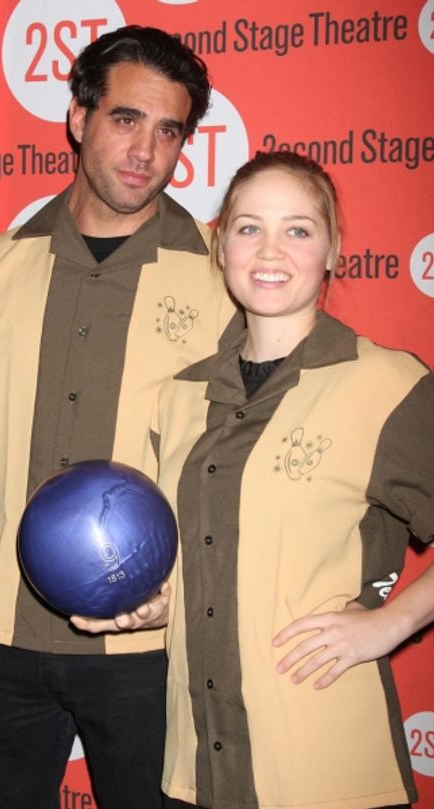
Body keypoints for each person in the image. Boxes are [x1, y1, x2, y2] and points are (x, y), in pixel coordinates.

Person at [0, 25, 235, 809]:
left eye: (169, 131)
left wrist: (187, 591)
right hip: (2, 640)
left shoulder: (223, 279)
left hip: (153, 645)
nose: (145, 151)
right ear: (78, 117)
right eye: (126, 119)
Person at [102, 150, 433, 809]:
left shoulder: (388, 385)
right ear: (221, 246)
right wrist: (158, 603)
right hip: (196, 766)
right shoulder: (180, 396)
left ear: (332, 250)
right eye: (249, 227)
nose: (270, 250)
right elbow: (203, 554)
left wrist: (390, 623)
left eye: (298, 229)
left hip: (323, 764)